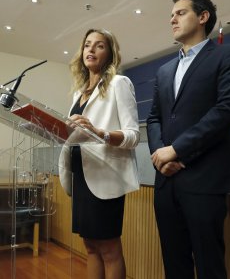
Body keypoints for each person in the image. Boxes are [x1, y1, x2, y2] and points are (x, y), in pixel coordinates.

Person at [147, 0, 230, 279]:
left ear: (203, 17)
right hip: (165, 181)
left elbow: (228, 109)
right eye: (172, 14)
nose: (172, 18)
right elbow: (154, 118)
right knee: (174, 264)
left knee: (210, 265)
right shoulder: (164, 71)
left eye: (180, 12)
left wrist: (175, 150)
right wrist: (161, 155)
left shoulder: (228, 55)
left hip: (204, 180)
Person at [59, 28, 140, 279]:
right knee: (90, 247)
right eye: (87, 45)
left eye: (99, 45)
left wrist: (100, 133)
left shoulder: (119, 83)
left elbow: (133, 135)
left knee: (109, 249)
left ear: (110, 53)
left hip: (105, 178)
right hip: (81, 177)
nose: (91, 50)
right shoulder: (78, 91)